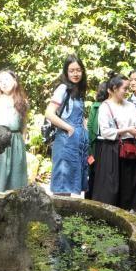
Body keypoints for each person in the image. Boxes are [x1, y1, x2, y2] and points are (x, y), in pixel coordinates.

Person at [93, 74, 136, 210]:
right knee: (110, 190)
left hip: (129, 151)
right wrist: (127, 130)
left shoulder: (129, 106)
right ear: (114, 88)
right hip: (111, 151)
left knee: (127, 188)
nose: (127, 91)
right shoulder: (105, 107)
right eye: (124, 88)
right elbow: (105, 132)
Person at [45, 55, 88, 196]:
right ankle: (58, 214)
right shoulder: (63, 88)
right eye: (71, 71)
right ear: (66, 72)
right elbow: (49, 113)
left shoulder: (78, 91)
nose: (75, 74)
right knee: (62, 182)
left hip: (77, 142)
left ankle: (65, 216)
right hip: (65, 140)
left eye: (78, 70)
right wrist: (69, 128)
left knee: (70, 182)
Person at [85, 81, 109, 199]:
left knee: (97, 173)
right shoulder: (96, 106)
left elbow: (89, 127)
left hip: (102, 143)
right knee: (94, 172)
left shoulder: (100, 106)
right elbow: (90, 126)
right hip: (97, 144)